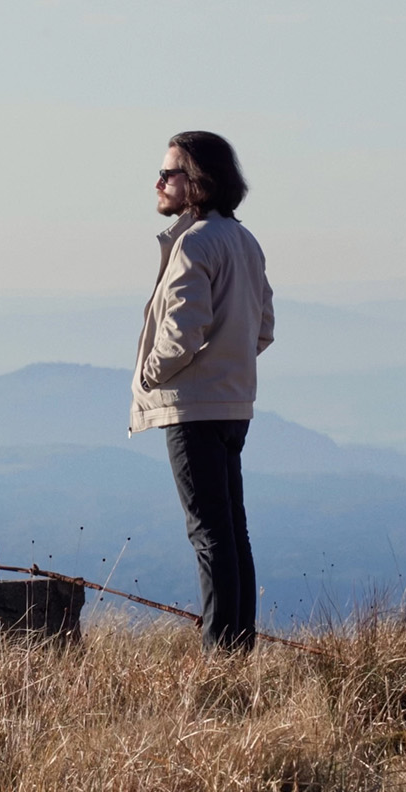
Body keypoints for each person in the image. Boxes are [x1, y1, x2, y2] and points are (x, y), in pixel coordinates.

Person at [130, 131, 274, 653]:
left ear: (197, 183)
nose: (159, 182)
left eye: (169, 174)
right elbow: (264, 327)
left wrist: (150, 373)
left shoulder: (194, 243)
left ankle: (221, 655)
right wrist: (227, 364)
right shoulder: (244, 240)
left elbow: (183, 333)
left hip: (193, 408)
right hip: (235, 404)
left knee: (208, 535)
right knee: (232, 531)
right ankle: (239, 646)